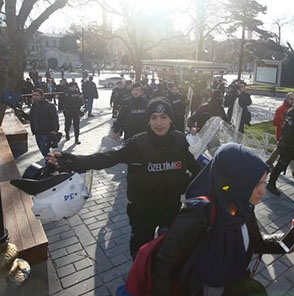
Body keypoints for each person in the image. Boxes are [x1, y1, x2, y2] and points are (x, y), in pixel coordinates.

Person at [46, 98, 201, 258]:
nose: (159, 123)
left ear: (170, 118)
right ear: (148, 119)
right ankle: (140, 280)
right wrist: (75, 161)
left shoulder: (179, 140)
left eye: (163, 117)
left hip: (171, 207)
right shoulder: (137, 143)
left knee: (169, 252)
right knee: (140, 253)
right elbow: (108, 157)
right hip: (143, 210)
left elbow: (195, 167)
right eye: (153, 117)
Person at [151, 143, 294, 296]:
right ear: (236, 182)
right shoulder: (198, 213)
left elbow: (257, 243)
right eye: (256, 184)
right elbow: (165, 264)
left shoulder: (242, 206)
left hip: (234, 285)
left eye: (264, 182)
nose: (263, 191)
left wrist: (289, 241)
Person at [15, 89, 59, 157]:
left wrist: (55, 130)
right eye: (33, 95)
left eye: (37, 95)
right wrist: (22, 113)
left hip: (47, 133)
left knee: (45, 151)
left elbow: (55, 119)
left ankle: (52, 164)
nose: (34, 97)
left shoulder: (49, 106)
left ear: (42, 96)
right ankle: (50, 163)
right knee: (44, 151)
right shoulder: (34, 106)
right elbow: (30, 117)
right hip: (37, 132)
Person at [266, 92, 294, 168]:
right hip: (282, 134)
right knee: (281, 150)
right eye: (291, 99)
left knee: (279, 150)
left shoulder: (293, 108)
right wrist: (288, 124)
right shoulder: (281, 109)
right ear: (287, 99)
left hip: (289, 134)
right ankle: (270, 164)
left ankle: (269, 163)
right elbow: (275, 121)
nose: (293, 101)